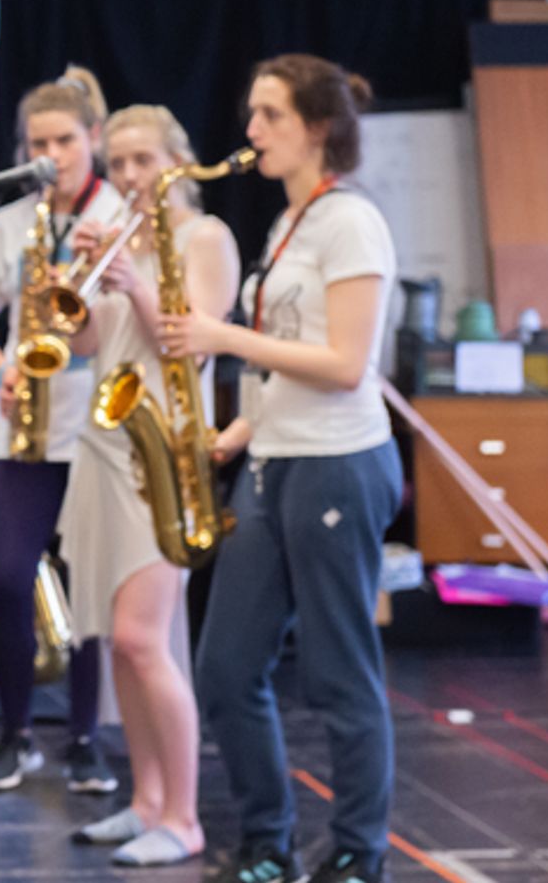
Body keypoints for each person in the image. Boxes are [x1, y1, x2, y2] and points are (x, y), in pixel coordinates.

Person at [160, 54, 402, 883]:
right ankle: (268, 840)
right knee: (225, 668)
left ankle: (358, 855)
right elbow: (284, 363)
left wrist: (220, 337)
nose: (252, 130)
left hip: (338, 465)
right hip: (275, 458)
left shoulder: (349, 222)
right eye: (252, 113)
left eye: (270, 115)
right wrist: (239, 429)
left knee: (339, 675)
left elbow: (343, 363)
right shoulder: (289, 223)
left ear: (319, 128)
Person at [58, 105, 240, 867]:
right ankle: (145, 802)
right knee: (115, 644)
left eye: (144, 162)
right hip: (103, 443)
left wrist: (133, 283)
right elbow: (91, 342)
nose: (129, 177)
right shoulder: (117, 231)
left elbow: (189, 340)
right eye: (121, 163)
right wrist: (71, 287)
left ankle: (187, 817)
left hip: (161, 450)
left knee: (143, 638)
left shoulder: (206, 236)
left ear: (177, 159)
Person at [0, 66, 122, 795]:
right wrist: (2, 371)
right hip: (23, 421)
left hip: (99, 423)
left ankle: (85, 737)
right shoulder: (7, 224)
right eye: (37, 143)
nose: (51, 154)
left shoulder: (121, 213)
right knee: (8, 577)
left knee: (90, 587)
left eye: (64, 139)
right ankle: (15, 730)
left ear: (94, 138)